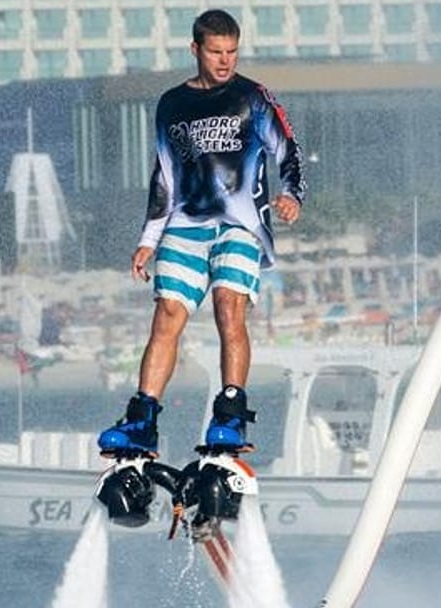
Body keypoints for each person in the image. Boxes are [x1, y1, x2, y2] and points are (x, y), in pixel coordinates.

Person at [97, 8, 306, 457]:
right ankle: (142, 420)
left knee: (228, 308)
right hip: (185, 225)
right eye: (216, 52)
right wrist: (148, 239)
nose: (225, 61)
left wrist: (292, 195)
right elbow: (164, 176)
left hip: (241, 223)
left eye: (232, 51)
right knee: (167, 316)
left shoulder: (254, 97)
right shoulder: (172, 104)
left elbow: (289, 151)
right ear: (195, 50)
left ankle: (229, 414)